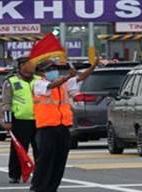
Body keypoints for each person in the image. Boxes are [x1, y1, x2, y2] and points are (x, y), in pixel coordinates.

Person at [30, 58, 98, 192]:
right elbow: (51, 86)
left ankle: (52, 187)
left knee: (60, 159)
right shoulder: (38, 83)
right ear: (42, 72)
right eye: (49, 69)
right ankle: (38, 187)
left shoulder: (63, 84)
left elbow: (81, 77)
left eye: (53, 68)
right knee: (45, 159)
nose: (53, 71)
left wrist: (93, 66)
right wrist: (68, 76)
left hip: (63, 126)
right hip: (47, 127)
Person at [1, 56, 40, 184]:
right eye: (28, 64)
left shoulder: (39, 80)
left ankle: (40, 174)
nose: (31, 66)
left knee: (40, 148)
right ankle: (15, 174)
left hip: (39, 119)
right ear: (21, 66)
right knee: (18, 149)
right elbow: (6, 102)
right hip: (20, 120)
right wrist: (7, 121)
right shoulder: (11, 81)